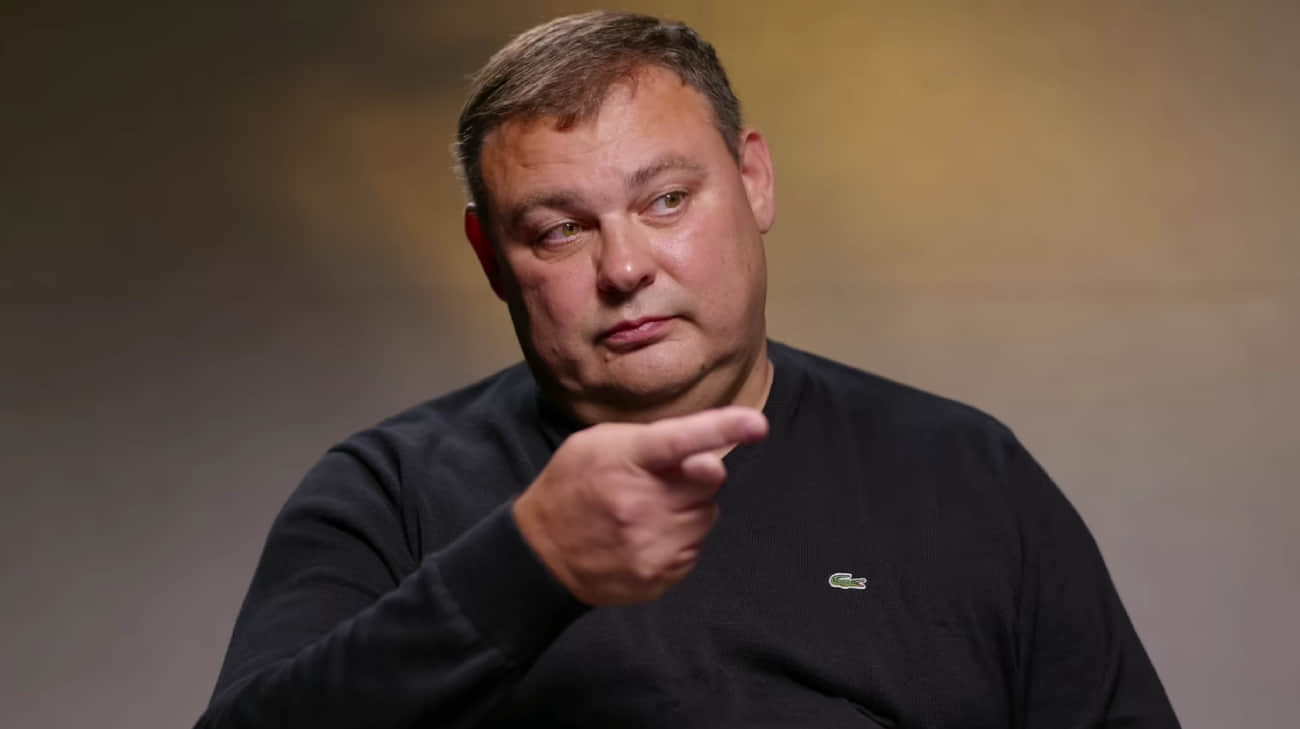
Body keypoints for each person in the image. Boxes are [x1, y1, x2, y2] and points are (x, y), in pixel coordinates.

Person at [196, 11, 1180, 728]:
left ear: (754, 180)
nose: (624, 268)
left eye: (665, 200)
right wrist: (525, 565)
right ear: (490, 257)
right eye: (559, 229)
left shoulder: (963, 474)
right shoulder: (387, 494)